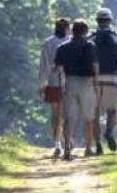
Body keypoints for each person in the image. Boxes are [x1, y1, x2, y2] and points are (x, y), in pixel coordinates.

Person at [55, 18, 99, 160]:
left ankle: (67, 146)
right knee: (88, 118)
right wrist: (96, 84)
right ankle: (88, 148)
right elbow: (95, 67)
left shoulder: (63, 47)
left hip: (70, 82)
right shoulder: (90, 46)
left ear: (73, 31)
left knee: (69, 118)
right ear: (85, 32)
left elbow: (57, 68)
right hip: (86, 82)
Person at [88, 7, 117, 155]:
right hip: (113, 77)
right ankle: (109, 131)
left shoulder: (90, 37)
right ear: (110, 20)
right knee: (112, 111)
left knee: (95, 113)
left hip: (95, 79)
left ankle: (98, 144)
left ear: (97, 20)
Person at [38, 18, 70, 157]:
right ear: (67, 28)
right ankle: (66, 140)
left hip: (53, 81)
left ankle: (57, 143)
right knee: (67, 114)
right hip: (68, 81)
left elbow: (44, 66)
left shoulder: (47, 43)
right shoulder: (70, 42)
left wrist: (41, 84)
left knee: (55, 114)